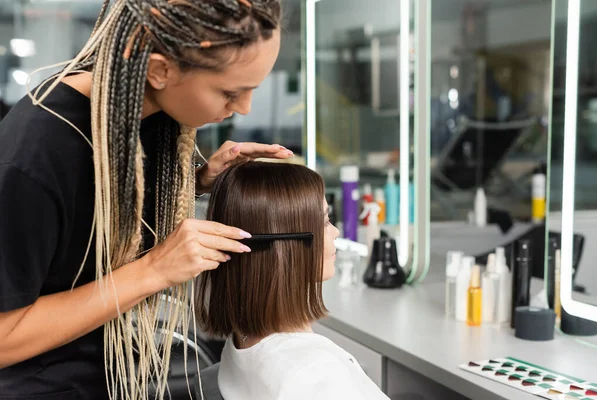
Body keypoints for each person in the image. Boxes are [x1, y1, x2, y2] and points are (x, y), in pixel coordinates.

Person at [0, 1, 287, 399]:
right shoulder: (33, 157)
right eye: (230, 91)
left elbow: (98, 216)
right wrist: (154, 270)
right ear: (159, 70)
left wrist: (199, 182)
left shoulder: (147, 114)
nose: (244, 108)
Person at [195, 162, 390, 400]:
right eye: (326, 222)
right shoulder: (315, 375)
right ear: (286, 247)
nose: (336, 232)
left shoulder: (241, 344)